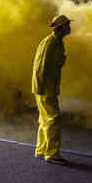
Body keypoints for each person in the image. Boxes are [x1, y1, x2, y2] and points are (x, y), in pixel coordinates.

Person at [32, 14, 71, 165]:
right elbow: (40, 66)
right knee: (53, 119)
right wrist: (41, 88)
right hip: (45, 88)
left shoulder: (58, 42)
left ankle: (41, 150)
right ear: (61, 28)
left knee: (45, 119)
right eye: (67, 25)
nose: (70, 28)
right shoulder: (50, 43)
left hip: (48, 87)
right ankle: (52, 154)